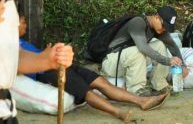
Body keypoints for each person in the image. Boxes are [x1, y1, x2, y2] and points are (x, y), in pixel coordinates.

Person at [18, 15, 168, 122]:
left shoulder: (21, 42)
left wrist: (50, 54)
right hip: (47, 71)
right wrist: (45, 57)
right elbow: (20, 65)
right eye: (22, 21)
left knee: (101, 82)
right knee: (85, 91)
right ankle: (118, 112)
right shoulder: (10, 45)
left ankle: (142, 101)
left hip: (62, 65)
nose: (25, 23)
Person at [100, 6, 185, 95]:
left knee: (159, 45)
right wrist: (167, 61)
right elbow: (143, 48)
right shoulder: (138, 22)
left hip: (128, 61)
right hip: (111, 62)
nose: (164, 29)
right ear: (156, 17)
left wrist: (182, 64)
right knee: (138, 50)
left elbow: (171, 45)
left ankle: (159, 86)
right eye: (164, 26)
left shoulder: (157, 29)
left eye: (167, 28)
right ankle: (137, 90)